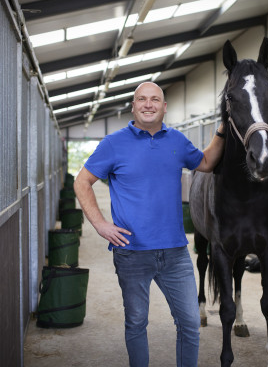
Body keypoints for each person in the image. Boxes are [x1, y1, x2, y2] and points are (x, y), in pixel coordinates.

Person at [74, 82, 225, 367]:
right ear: (133, 105)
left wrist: (222, 129)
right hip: (132, 252)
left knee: (190, 323)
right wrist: (100, 224)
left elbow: (205, 162)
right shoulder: (113, 144)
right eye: (141, 99)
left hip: (176, 252)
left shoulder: (177, 141)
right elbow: (82, 181)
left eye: (155, 99)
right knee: (136, 322)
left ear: (164, 107)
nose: (148, 104)